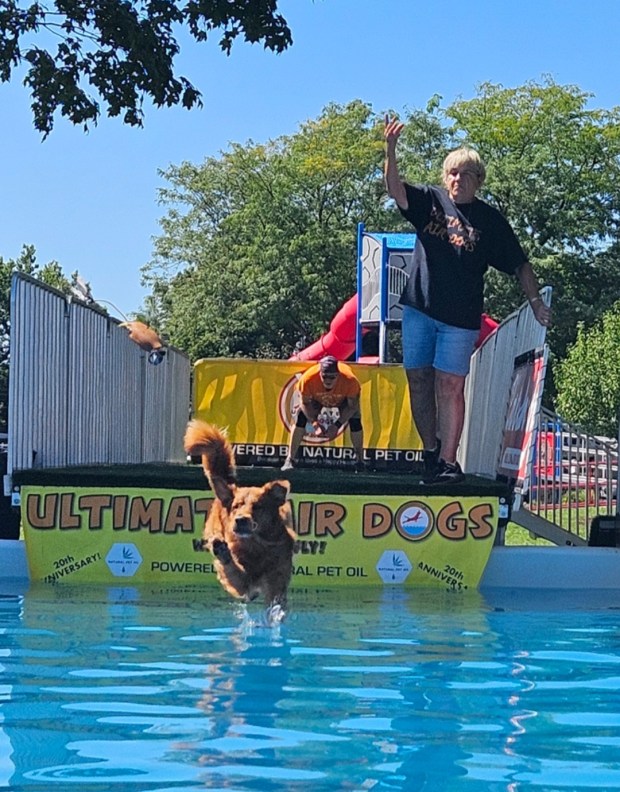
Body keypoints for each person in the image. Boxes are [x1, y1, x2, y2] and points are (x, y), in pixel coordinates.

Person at [384, 116, 551, 485]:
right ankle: (431, 452)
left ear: (478, 180)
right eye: (452, 173)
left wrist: (536, 301)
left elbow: (521, 264)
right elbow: (395, 190)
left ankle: (447, 461)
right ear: (445, 177)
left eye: (465, 174)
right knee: (419, 380)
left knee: (450, 385)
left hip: (460, 318)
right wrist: (391, 151)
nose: (457, 180)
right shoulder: (430, 200)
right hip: (419, 309)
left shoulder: (490, 221)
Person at [282, 355, 366, 471]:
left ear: (338, 375)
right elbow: (304, 403)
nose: (328, 381)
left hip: (342, 400)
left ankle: (360, 461)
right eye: (324, 376)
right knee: (300, 416)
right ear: (319, 374)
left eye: (332, 377)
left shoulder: (350, 381)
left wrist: (337, 425)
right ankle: (290, 459)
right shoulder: (307, 380)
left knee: (355, 419)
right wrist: (315, 424)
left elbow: (352, 407)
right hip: (316, 399)